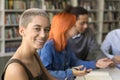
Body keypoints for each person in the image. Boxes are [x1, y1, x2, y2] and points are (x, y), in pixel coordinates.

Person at [39, 9, 113, 80]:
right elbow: (45, 73)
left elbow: (75, 62)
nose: (77, 28)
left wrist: (96, 63)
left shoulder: (66, 43)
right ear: (66, 27)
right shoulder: (48, 46)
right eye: (74, 25)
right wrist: (71, 73)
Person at [2, 8, 56, 80]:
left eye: (47, 29)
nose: (43, 35)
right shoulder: (15, 69)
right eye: (37, 28)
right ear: (22, 31)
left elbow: (50, 78)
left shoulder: (34, 54)